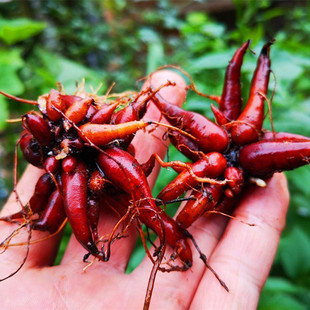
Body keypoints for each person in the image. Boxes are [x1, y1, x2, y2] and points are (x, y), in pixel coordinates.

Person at [0, 71, 289, 309]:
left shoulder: (96, 146)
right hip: (86, 161)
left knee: (142, 200)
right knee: (67, 206)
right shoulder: (67, 162)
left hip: (106, 157)